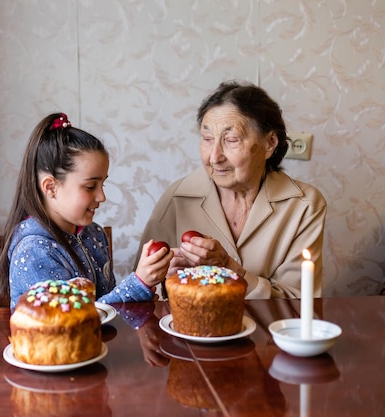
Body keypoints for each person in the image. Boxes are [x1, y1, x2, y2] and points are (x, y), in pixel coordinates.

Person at [136, 80, 326, 299]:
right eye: (207, 139)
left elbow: (298, 304)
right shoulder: (177, 198)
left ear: (269, 143)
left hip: (269, 333)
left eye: (231, 139)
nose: (214, 157)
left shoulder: (304, 205)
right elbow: (139, 294)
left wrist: (229, 268)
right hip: (191, 331)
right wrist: (166, 283)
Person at [0, 112, 173, 308]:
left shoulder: (95, 234)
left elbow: (107, 307)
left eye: (102, 185)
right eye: (90, 187)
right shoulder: (34, 252)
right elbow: (68, 323)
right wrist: (138, 285)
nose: (102, 197)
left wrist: (145, 290)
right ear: (50, 187)